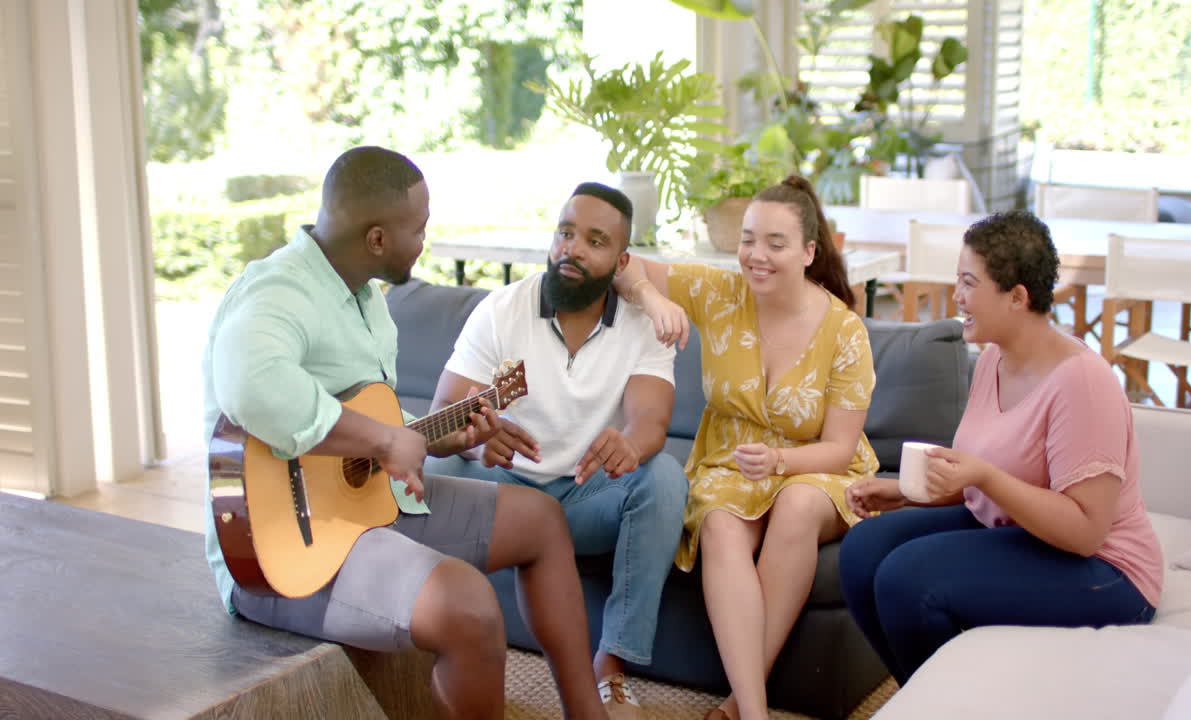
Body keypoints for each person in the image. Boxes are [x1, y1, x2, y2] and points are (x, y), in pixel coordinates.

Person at [202, 146, 607, 720]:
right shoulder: (278, 292)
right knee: (469, 606)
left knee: (541, 520)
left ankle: (586, 713)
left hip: (374, 505)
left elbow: (375, 435)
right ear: (376, 239)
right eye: (418, 229)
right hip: (280, 549)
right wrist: (384, 441)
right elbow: (251, 388)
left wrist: (442, 436)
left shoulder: (367, 298)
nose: (425, 239)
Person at [838, 210, 1164, 685]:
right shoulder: (993, 358)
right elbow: (995, 477)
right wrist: (905, 492)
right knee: (863, 549)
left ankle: (961, 701)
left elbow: (1086, 532)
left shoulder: (1082, 383)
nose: (957, 295)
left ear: (1017, 297)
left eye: (969, 283)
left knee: (907, 578)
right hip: (1024, 532)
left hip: (1106, 571)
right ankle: (928, 698)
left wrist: (983, 476)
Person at [421, 182, 688, 720]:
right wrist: (476, 445)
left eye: (594, 240)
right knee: (434, 463)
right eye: (565, 233)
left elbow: (651, 420)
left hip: (588, 496)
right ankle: (433, 652)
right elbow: (441, 413)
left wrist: (629, 444)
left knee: (663, 479)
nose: (573, 249)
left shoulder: (641, 327)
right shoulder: (501, 310)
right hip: (507, 491)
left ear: (620, 260)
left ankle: (610, 671)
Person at [616, 175, 879, 720]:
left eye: (775, 244)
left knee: (799, 504)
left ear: (809, 251)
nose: (756, 256)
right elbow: (624, 264)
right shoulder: (717, 292)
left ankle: (736, 705)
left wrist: (782, 461)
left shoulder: (846, 331)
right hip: (730, 462)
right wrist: (652, 300)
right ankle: (753, 713)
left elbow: (838, 448)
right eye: (748, 239)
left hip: (817, 465)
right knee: (718, 523)